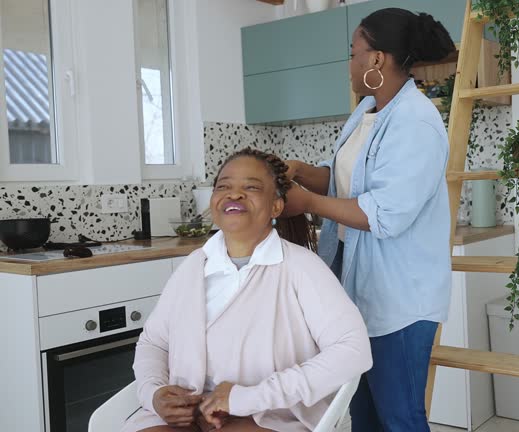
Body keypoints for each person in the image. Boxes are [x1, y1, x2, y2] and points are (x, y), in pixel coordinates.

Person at [280, 8, 455, 432]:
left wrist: (305, 202)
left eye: (353, 51)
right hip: (357, 295)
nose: (350, 62)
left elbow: (385, 213)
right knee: (364, 414)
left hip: (401, 302)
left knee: (399, 416)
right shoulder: (367, 112)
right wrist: (302, 171)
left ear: (376, 59)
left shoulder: (416, 122)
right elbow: (343, 184)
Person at [122, 149, 372, 432]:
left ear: (276, 206)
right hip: (187, 417)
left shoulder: (302, 268)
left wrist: (246, 398)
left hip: (269, 415)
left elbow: (354, 350)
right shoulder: (192, 267)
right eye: (223, 186)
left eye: (251, 187)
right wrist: (154, 393)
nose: (235, 194)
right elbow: (154, 343)